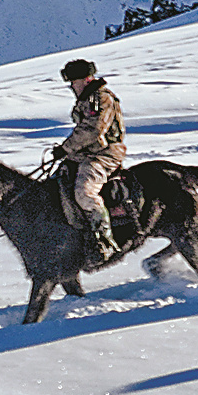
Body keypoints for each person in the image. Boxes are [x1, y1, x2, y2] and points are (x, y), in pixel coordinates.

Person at [50, 58, 126, 258]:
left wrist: (66, 148)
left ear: (85, 79)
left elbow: (93, 130)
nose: (71, 87)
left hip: (104, 154)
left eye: (73, 82)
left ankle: (104, 241)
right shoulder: (88, 99)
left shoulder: (98, 98)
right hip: (85, 153)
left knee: (85, 193)